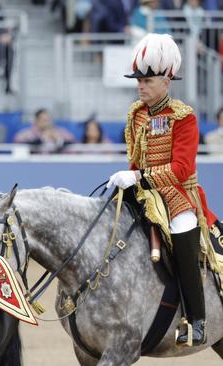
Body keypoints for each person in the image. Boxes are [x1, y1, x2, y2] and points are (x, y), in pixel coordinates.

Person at [107, 33, 218, 346]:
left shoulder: (184, 117)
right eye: (138, 80)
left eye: (148, 80)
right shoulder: (136, 113)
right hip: (142, 190)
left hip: (178, 195)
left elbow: (181, 169)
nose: (141, 86)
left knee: (183, 236)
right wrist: (127, 180)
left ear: (167, 81)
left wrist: (139, 177)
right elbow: (136, 158)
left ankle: (197, 318)